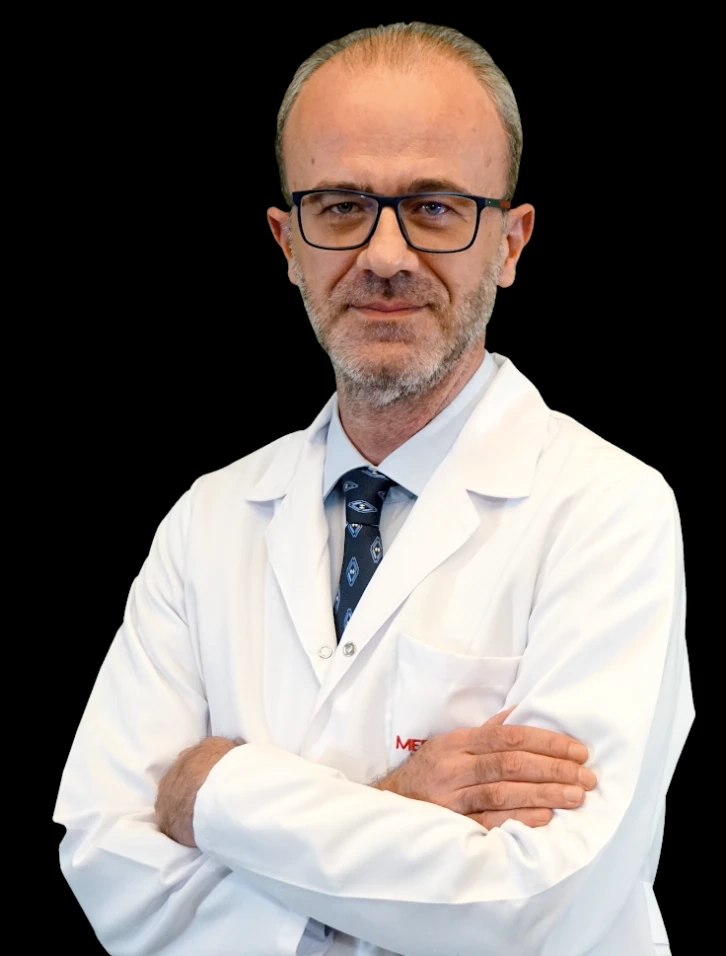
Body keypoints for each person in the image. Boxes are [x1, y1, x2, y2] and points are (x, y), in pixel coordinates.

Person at [53, 21, 693, 956]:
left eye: (434, 207)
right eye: (342, 206)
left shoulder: (609, 511)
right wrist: (395, 807)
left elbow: (537, 907)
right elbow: (110, 868)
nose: (385, 255)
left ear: (510, 244)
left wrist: (213, 790)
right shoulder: (208, 521)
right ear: (287, 244)